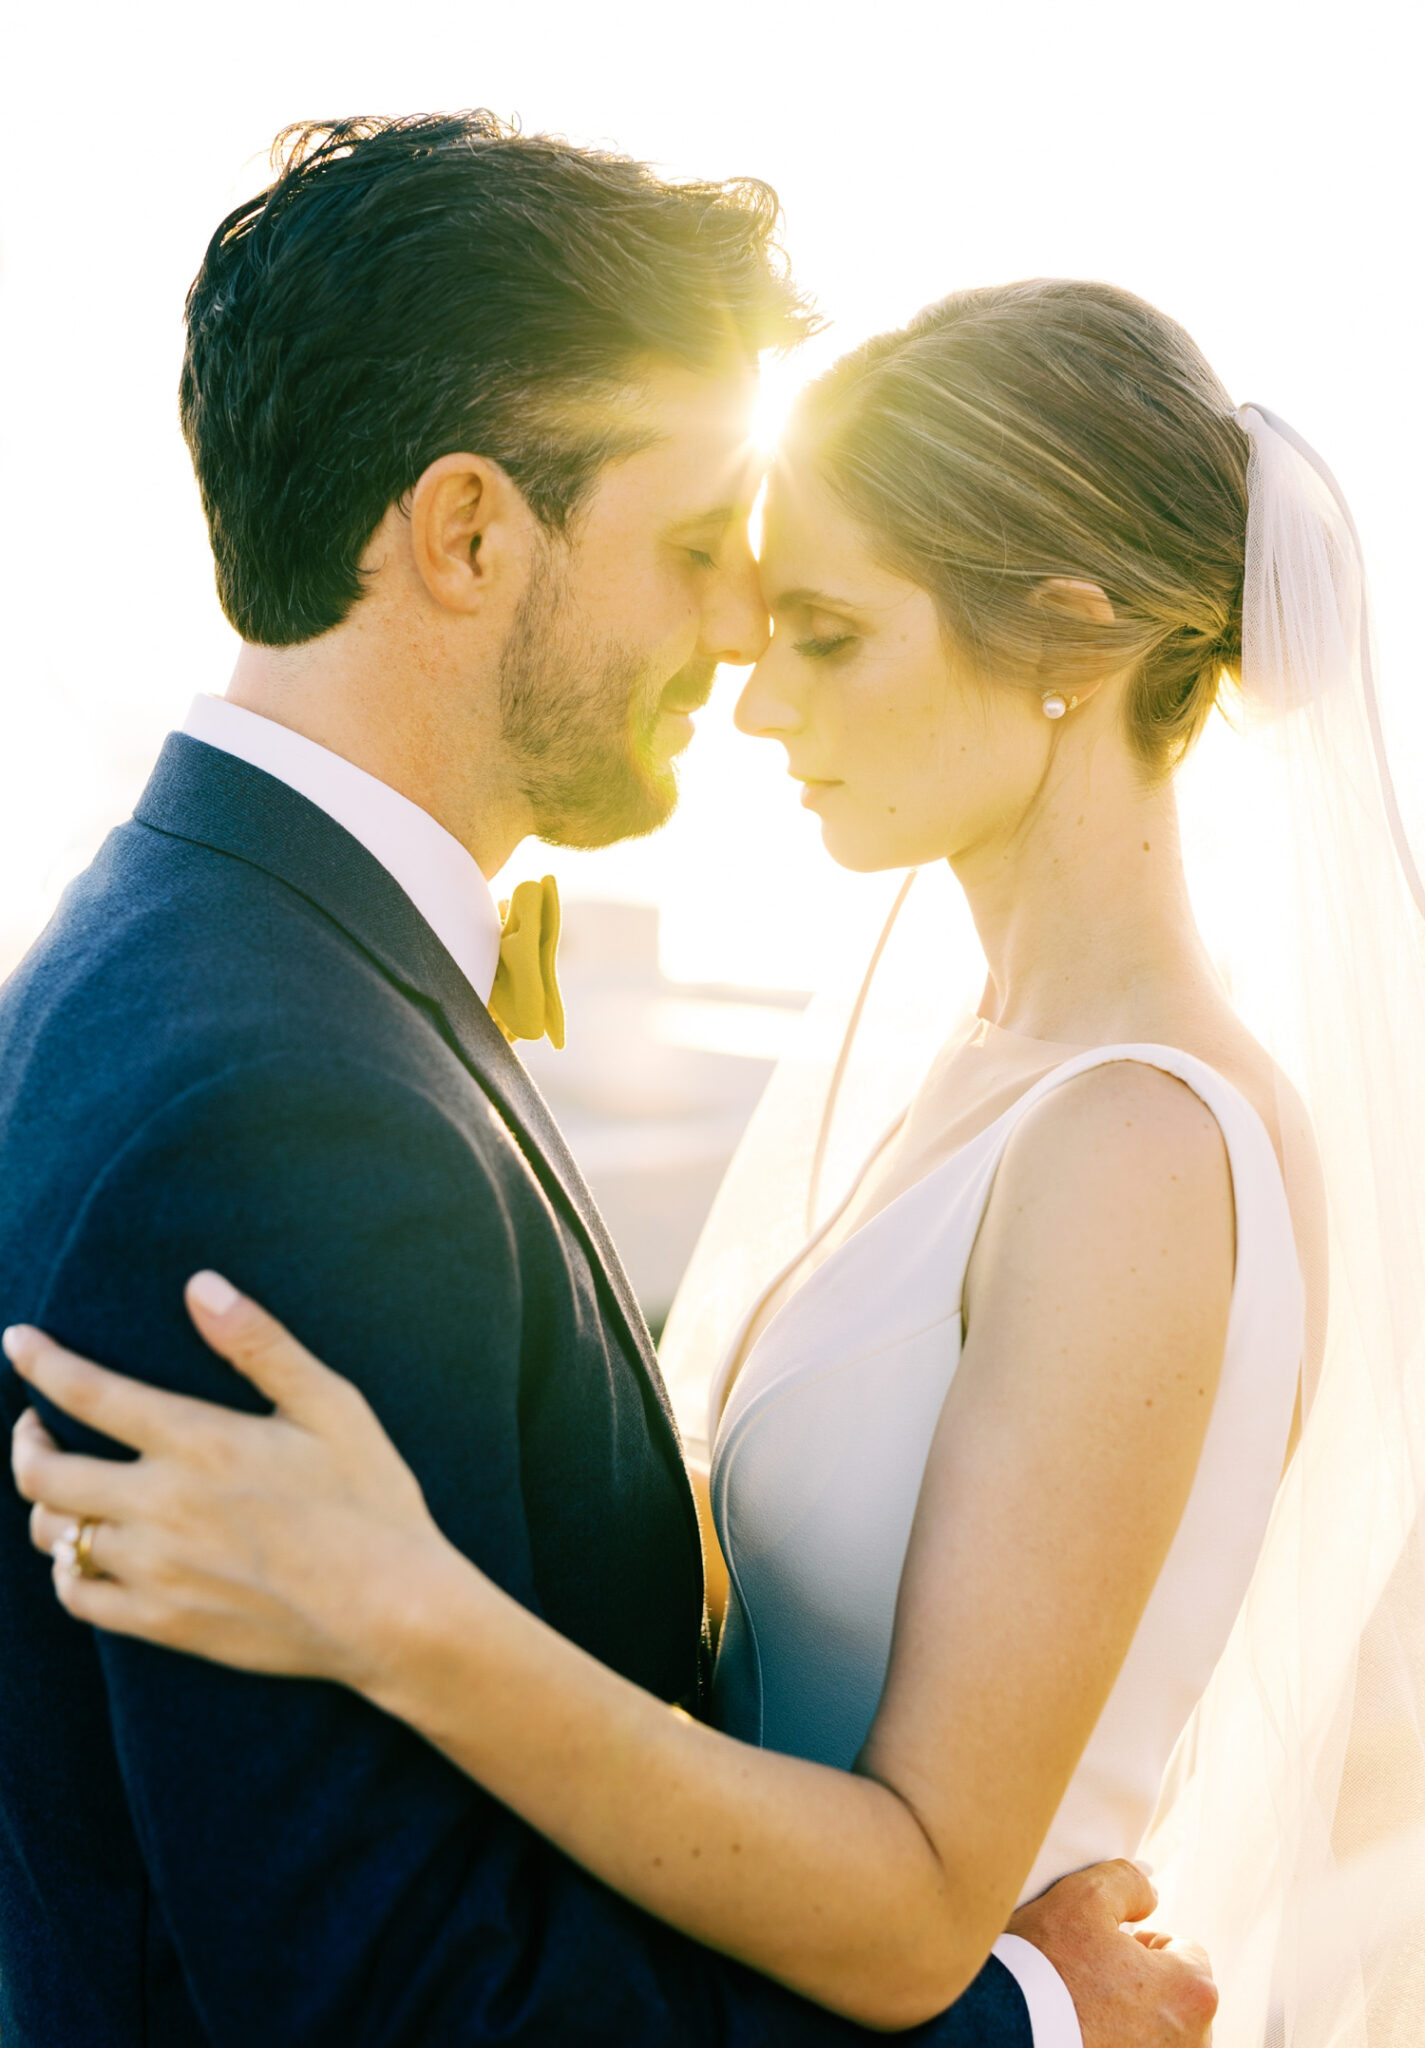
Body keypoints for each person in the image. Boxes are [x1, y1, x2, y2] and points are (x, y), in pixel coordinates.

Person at [0, 117, 1212, 2048]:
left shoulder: (178, 943)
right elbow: (400, 2004)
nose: (736, 637)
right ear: (470, 531)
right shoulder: (278, 1102)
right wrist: (1029, 2023)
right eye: (692, 553)